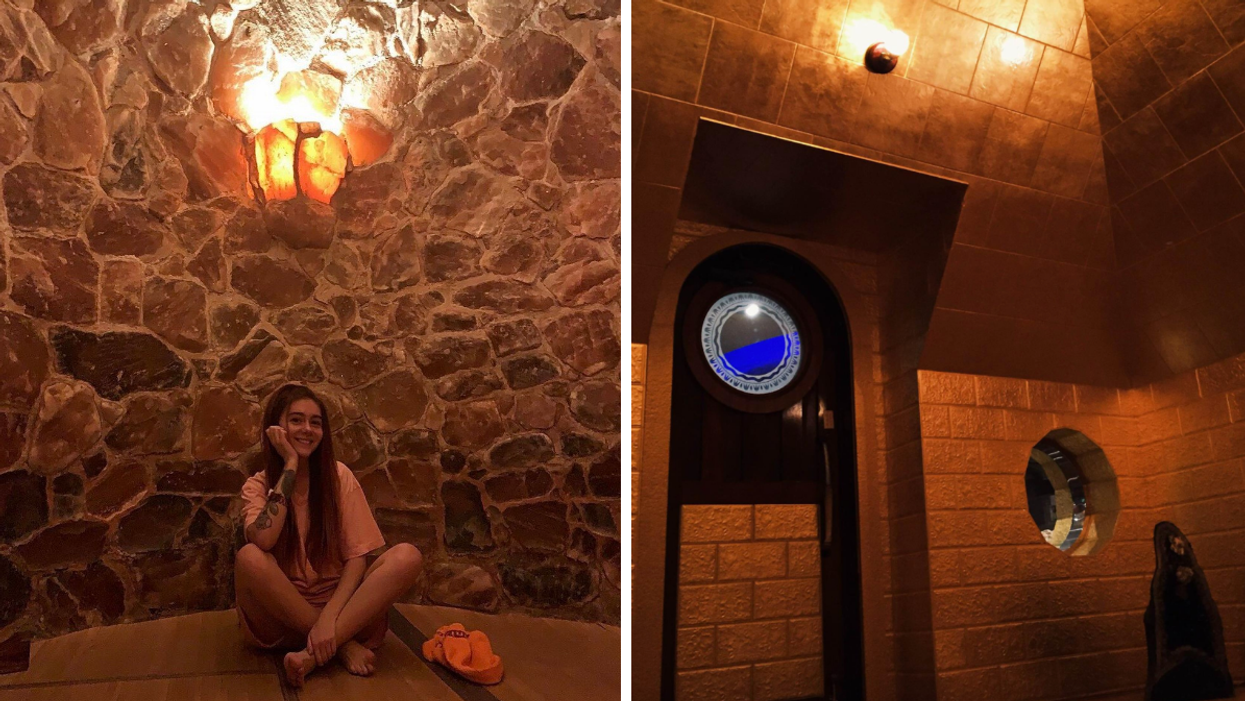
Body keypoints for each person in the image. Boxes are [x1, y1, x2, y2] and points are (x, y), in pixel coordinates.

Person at [234, 384, 422, 688]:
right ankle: (340, 646)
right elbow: (264, 540)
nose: (307, 429)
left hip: (341, 611)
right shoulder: (257, 486)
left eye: (315, 422)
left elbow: (356, 559)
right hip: (281, 618)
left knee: (407, 556)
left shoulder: (339, 477)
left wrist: (328, 619)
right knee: (249, 557)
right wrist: (291, 465)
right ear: (275, 428)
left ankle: (315, 650)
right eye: (296, 420)